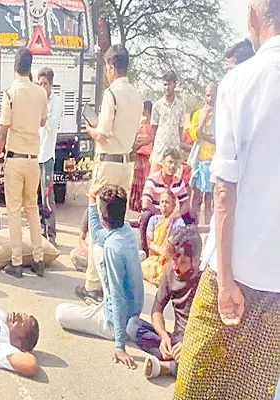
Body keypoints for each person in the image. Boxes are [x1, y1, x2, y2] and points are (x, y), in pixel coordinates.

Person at [174, 1, 280, 398]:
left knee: (197, 385)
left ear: (254, 18)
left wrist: (226, 282)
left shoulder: (239, 82)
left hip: (231, 274)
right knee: (252, 391)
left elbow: (223, 192)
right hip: (276, 288)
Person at [77, 44, 142, 303]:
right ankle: (111, 281)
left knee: (98, 222)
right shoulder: (136, 95)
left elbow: (102, 133)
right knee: (117, 224)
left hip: (108, 162)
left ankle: (94, 285)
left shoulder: (111, 94)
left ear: (112, 68)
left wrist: (90, 129)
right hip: (126, 165)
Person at [55, 183, 144, 369]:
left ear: (104, 217)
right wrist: (91, 200)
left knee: (61, 313)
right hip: (129, 311)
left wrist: (119, 346)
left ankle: (109, 319)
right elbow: (96, 233)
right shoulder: (126, 230)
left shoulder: (112, 249)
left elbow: (118, 297)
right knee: (96, 246)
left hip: (114, 321)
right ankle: (102, 303)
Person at [0, 48, 48, 279]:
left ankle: (16, 262)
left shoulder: (11, 93)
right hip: (34, 160)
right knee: (32, 209)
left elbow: (3, 132)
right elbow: (43, 122)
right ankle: (39, 258)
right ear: (30, 66)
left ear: (15, 66)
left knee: (14, 211)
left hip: (15, 159)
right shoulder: (41, 93)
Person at [127, 226, 202, 379]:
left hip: (197, 341)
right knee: (132, 326)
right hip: (176, 339)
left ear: (195, 259)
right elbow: (156, 310)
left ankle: (169, 366)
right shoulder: (169, 271)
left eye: (182, 262)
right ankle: (179, 363)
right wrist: (163, 337)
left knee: (210, 360)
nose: (175, 266)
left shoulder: (205, 278)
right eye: (173, 260)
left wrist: (189, 345)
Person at [139, 148, 191, 256]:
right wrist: (162, 215)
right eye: (170, 162)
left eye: (175, 163)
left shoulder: (178, 181)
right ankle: (146, 249)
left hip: (171, 214)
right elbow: (146, 204)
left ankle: (183, 254)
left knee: (189, 218)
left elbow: (186, 204)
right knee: (145, 216)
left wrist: (175, 215)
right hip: (155, 213)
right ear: (163, 162)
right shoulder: (152, 179)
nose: (172, 166)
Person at [36, 67, 62, 245]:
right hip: (33, 155)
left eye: (45, 84)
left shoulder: (55, 102)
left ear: (51, 85)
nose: (42, 87)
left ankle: (51, 235)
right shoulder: (36, 99)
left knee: (47, 196)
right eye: (40, 84)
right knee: (35, 197)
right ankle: (40, 231)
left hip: (46, 156)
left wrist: (43, 105)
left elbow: (50, 125)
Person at [140, 191, 185, 285]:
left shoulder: (179, 222)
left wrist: (167, 253)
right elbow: (149, 242)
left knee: (168, 271)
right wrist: (160, 251)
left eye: (167, 202)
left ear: (173, 205)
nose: (164, 205)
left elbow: (176, 244)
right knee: (141, 267)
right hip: (154, 258)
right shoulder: (154, 220)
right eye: (162, 202)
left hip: (169, 260)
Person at [187, 83, 217, 225]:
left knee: (209, 197)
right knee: (195, 195)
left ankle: (207, 228)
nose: (210, 98)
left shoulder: (220, 115)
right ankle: (192, 227)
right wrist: (204, 118)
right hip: (198, 160)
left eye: (213, 95)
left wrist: (203, 136)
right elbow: (195, 135)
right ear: (204, 96)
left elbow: (218, 139)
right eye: (208, 95)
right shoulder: (199, 114)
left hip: (212, 161)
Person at [150, 72, 186, 172]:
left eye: (169, 84)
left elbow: (180, 129)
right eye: (165, 84)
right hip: (160, 149)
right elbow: (153, 130)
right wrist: (154, 148)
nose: (167, 87)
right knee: (154, 180)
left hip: (174, 149)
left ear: (175, 85)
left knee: (173, 183)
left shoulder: (181, 106)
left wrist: (178, 144)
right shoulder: (157, 105)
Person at [129, 100, 153, 212]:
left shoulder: (150, 124)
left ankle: (142, 203)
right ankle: (138, 203)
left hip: (146, 155)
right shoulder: (143, 123)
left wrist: (138, 145)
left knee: (144, 179)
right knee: (140, 179)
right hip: (142, 155)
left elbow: (148, 139)